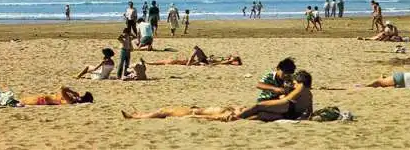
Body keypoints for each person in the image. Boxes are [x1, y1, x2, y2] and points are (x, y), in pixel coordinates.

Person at [122, 70, 313, 122]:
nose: (292, 84)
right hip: (261, 114)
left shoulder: (301, 89)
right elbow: (306, 111)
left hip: (240, 114)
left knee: (194, 112)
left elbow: (282, 102)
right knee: (199, 111)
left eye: (294, 82)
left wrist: (280, 95)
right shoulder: (307, 96)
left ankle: (141, 116)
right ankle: (140, 115)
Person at [143, 46, 242, 66]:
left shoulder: (227, 61)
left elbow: (220, 63)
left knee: (169, 61)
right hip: (205, 60)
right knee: (169, 61)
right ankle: (150, 63)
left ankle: (150, 63)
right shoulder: (228, 59)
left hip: (204, 61)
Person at [18, 87, 94, 106]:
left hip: (41, 100)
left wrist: (73, 92)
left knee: (21, 101)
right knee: (21, 101)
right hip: (42, 99)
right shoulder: (71, 99)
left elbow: (63, 88)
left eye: (81, 96)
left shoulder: (71, 101)